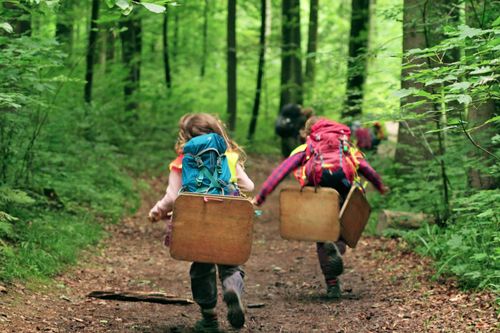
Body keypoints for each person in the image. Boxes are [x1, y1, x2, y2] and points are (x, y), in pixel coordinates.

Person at [252, 116, 388, 299]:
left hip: (319, 189)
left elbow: (280, 171)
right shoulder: (345, 145)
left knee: (322, 235)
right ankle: (337, 250)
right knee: (343, 230)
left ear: (308, 132)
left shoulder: (308, 147)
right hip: (345, 190)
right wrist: (380, 186)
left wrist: (260, 198)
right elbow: (366, 168)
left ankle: (332, 285)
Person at [149, 113, 254, 332]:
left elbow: (172, 197)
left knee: (201, 267)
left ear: (185, 136)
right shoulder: (229, 156)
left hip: (196, 221)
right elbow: (249, 186)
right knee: (230, 262)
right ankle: (232, 286)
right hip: (227, 217)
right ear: (216, 131)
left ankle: (209, 318)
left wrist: (157, 211)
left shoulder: (181, 161)